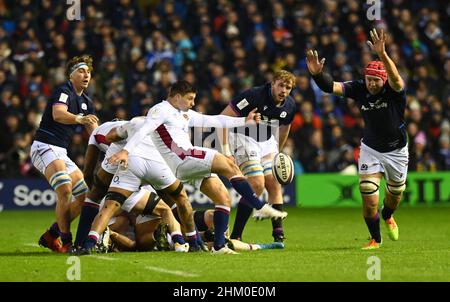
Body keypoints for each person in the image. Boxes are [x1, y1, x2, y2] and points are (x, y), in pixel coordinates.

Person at [109, 80, 288, 254]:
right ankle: (259, 205)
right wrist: (126, 151)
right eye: (190, 98)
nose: (193, 103)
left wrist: (244, 122)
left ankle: (219, 246)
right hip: (182, 157)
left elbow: (215, 121)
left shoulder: (184, 113)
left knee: (223, 198)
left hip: (188, 163)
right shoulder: (160, 109)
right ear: (177, 96)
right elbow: (144, 129)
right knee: (228, 163)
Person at [306, 29, 408, 250]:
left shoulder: (394, 91)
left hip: (397, 151)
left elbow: (396, 78)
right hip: (371, 149)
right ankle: (375, 239)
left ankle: (388, 215)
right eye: (368, 79)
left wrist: (382, 54)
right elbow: (329, 87)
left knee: (394, 196)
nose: (371, 84)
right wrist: (317, 75)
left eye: (375, 81)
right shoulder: (359, 88)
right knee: (368, 194)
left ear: (384, 80)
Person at [78, 117, 195, 253]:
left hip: (129, 166)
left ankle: (89, 243)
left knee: (109, 206)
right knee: (174, 202)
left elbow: (90, 173)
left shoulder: (119, 130)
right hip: (156, 165)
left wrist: (99, 191)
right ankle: (185, 242)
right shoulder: (158, 128)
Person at [30, 55, 99, 253]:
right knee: (65, 190)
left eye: (88, 72)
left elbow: (95, 133)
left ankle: (52, 233)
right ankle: (67, 241)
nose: (86, 75)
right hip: (44, 146)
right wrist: (80, 119)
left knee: (86, 196)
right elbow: (58, 114)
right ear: (71, 75)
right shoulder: (64, 90)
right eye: (81, 70)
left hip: (61, 152)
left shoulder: (87, 102)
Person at [219, 70, 297, 243]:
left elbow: (285, 128)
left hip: (267, 140)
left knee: (274, 182)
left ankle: (278, 235)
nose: (284, 90)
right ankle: (236, 235)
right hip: (243, 137)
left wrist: (277, 152)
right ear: (272, 83)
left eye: (288, 87)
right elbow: (223, 118)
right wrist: (226, 152)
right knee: (257, 184)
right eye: (281, 85)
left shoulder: (290, 105)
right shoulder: (254, 96)